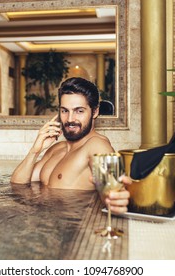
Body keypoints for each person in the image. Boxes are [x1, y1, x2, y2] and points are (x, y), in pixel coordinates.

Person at [11, 77, 131, 214]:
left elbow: (112, 191)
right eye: (64, 111)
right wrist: (35, 151)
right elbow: (17, 185)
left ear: (95, 112)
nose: (70, 119)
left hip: (73, 227)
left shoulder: (97, 145)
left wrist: (115, 198)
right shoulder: (57, 148)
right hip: (46, 223)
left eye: (79, 111)